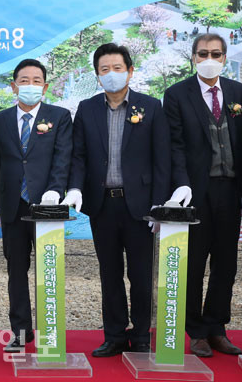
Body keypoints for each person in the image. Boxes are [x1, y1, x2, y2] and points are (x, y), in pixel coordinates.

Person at [62, 43, 172, 357]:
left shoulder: (150, 107)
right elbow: (79, 156)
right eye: (105, 69)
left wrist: (159, 203)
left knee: (141, 274)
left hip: (140, 206)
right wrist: (75, 188)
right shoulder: (87, 109)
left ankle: (141, 334)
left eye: (117, 68)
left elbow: (161, 159)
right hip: (103, 204)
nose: (112, 74)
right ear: (98, 75)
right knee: (109, 273)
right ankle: (114, 335)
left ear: (130, 71)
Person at [162, 34, 242, 358]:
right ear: (194, 57)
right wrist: (181, 185)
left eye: (215, 53)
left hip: (230, 189)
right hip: (195, 191)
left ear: (225, 58)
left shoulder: (237, 91)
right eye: (203, 54)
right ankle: (195, 330)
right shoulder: (177, 94)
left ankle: (217, 328)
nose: (209, 59)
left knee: (226, 264)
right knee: (194, 263)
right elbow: (175, 145)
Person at [0, 59, 72, 352]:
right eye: (24, 80)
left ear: (45, 87)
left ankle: (50, 333)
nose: (30, 85)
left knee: (48, 270)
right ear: (14, 86)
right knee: (16, 271)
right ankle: (21, 332)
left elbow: (62, 158)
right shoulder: (0, 120)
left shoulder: (59, 117)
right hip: (13, 206)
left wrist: (55, 192)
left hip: (47, 206)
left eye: (37, 80)